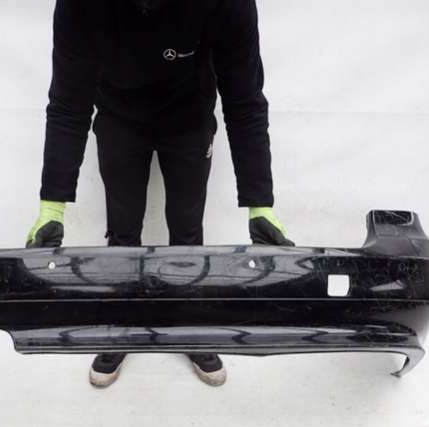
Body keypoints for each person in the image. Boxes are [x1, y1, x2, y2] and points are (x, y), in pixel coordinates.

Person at [26, 0, 294, 388]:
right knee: (123, 233)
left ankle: (189, 323)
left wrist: (260, 205)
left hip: (189, 117)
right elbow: (69, 102)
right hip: (119, 115)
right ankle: (122, 323)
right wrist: (52, 206)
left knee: (187, 232)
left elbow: (245, 102)